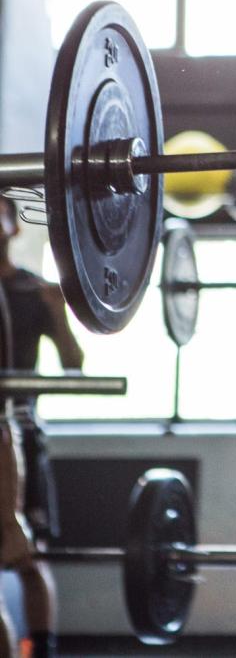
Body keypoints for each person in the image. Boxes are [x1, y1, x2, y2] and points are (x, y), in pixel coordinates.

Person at [0, 196, 84, 658]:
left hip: (21, 433)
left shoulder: (36, 292)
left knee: (32, 557)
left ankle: (41, 651)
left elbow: (74, 366)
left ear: (13, 226)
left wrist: (60, 312)